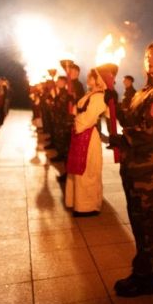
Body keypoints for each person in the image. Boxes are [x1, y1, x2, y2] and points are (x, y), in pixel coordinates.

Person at [112, 43, 153, 297]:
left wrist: (124, 138)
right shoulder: (144, 91)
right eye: (147, 56)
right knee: (137, 220)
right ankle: (140, 269)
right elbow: (130, 119)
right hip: (132, 164)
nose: (150, 60)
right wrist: (114, 103)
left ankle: (146, 277)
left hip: (148, 170)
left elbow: (150, 132)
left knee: (147, 222)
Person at [64, 68, 109, 217]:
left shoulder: (99, 97)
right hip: (80, 133)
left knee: (88, 170)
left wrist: (76, 121)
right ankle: (77, 202)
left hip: (89, 135)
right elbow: (78, 110)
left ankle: (88, 206)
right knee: (77, 170)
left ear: (98, 80)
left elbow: (89, 118)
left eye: (91, 77)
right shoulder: (90, 94)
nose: (88, 79)